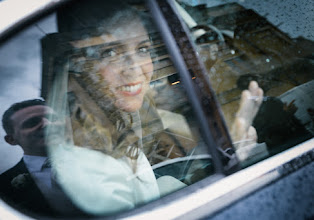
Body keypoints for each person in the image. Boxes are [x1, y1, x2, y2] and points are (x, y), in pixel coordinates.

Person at [42, 0, 264, 216]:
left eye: (143, 49)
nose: (135, 69)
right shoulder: (86, 176)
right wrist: (229, 161)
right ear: (76, 69)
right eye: (110, 52)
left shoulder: (114, 123)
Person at [0, 99, 84, 217]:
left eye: (53, 118)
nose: (47, 124)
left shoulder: (99, 163)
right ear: (11, 139)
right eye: (32, 122)